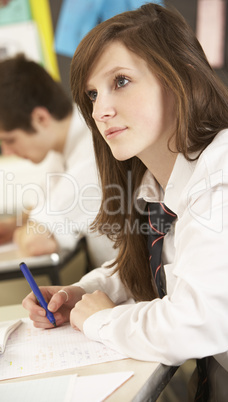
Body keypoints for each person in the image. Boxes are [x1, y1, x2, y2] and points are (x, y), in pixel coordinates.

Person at [22, 3, 228, 400]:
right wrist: (81, 295)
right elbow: (164, 267)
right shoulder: (156, 186)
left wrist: (102, 321)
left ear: (178, 78)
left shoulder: (221, 175)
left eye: (121, 81)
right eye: (93, 95)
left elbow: (196, 321)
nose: (101, 110)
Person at [0, 54, 117, 268]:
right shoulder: (64, 145)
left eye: (9, 140)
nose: (7, 152)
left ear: (40, 118)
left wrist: (23, 231)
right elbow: (42, 204)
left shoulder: (91, 152)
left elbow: (36, 243)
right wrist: (13, 227)